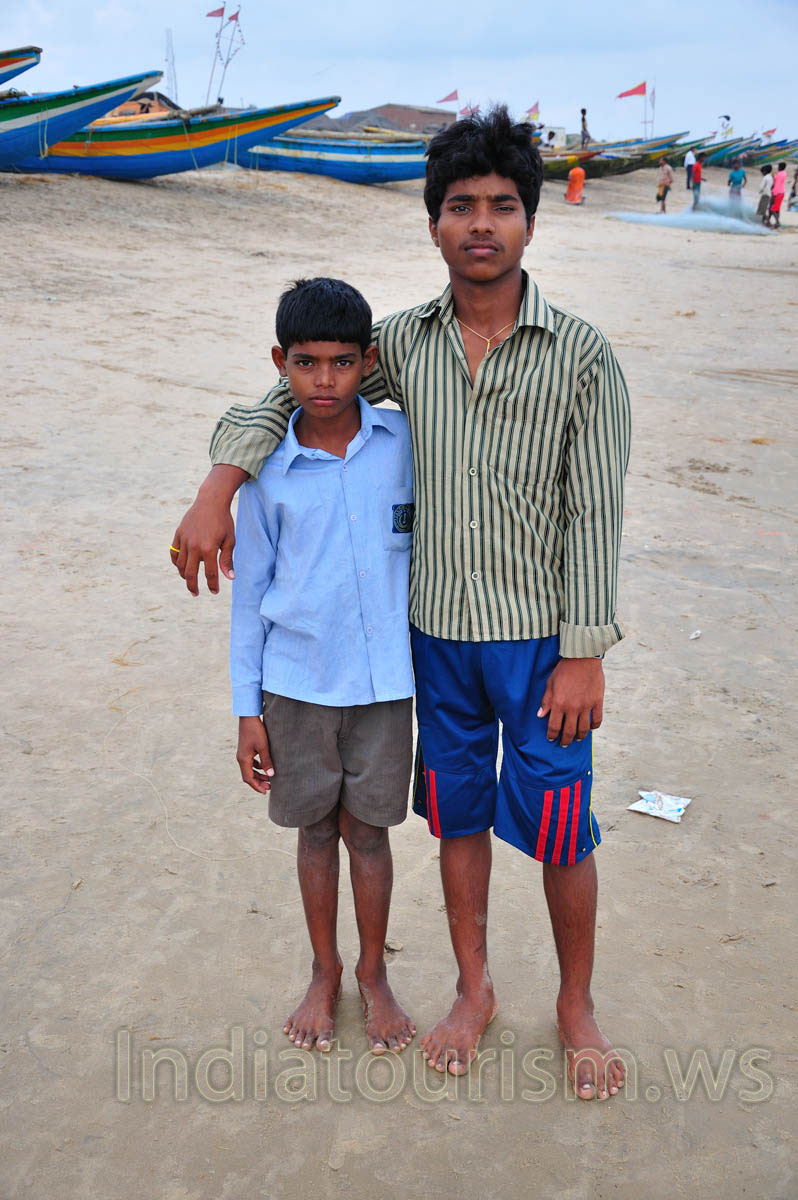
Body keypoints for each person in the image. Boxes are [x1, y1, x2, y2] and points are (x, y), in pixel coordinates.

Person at [171, 107, 631, 1100]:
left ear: (531, 221)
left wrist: (586, 649)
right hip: (436, 641)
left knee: (563, 824)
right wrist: (220, 484)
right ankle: (473, 988)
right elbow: (295, 391)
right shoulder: (403, 345)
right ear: (433, 226)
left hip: (542, 640)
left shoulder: (583, 355)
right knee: (458, 818)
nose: (481, 223)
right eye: (460, 206)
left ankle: (576, 1004)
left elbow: (594, 508)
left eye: (501, 206)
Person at [230, 277, 416, 1056]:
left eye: (343, 362)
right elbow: (250, 597)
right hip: (296, 684)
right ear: (281, 364)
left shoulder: (404, 444)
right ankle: (324, 969)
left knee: (368, 834)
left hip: (386, 685)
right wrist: (247, 710)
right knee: (314, 833)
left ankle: (373, 972)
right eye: (306, 363)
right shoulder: (266, 472)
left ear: (368, 361)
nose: (326, 381)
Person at [768, 161, 787, 228]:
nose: (778, 168)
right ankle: (772, 221)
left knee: (772, 209)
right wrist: (774, 177)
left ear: (781, 167)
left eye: (778, 166)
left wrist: (773, 194)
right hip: (782, 193)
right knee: (777, 209)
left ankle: (778, 222)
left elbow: (777, 185)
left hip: (777, 193)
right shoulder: (784, 173)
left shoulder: (779, 175)